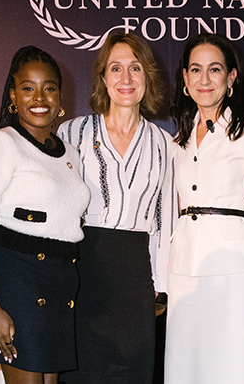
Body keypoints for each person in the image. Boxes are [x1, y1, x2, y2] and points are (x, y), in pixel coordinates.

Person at [0, 46, 90, 384]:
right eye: (28, 88)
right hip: (17, 286)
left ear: (60, 97)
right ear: (13, 97)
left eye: (49, 88)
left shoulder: (69, 153)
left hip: (60, 285)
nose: (39, 98)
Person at [57, 32, 176, 384]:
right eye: (116, 68)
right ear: (103, 78)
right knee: (79, 372)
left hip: (135, 274)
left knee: (132, 371)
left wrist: (159, 283)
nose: (126, 78)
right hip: (80, 267)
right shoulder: (71, 133)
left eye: (135, 68)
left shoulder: (165, 144)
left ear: (147, 76)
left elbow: (165, 219)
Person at [165, 33, 244, 384]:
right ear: (185, 79)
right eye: (195, 70)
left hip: (237, 271)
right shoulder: (178, 141)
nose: (205, 79)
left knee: (239, 367)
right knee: (188, 369)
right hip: (184, 271)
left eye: (215, 69)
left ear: (231, 78)